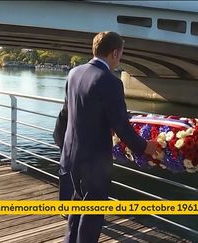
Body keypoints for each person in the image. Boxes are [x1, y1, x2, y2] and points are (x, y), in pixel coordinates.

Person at [58, 31, 157, 243]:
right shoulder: (110, 82)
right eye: (120, 54)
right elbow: (121, 125)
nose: (119, 59)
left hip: (70, 156)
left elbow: (69, 112)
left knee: (77, 206)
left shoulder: (74, 73)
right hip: (94, 162)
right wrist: (144, 147)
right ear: (114, 53)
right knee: (92, 214)